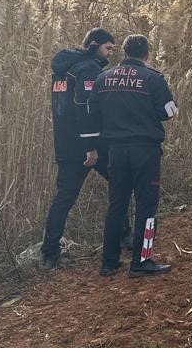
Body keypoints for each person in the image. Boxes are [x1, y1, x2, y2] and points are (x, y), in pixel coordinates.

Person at [86, 35, 177, 278]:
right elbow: (169, 112)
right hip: (145, 151)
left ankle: (108, 262)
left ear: (124, 52)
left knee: (116, 205)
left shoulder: (103, 78)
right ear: (146, 54)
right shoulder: (153, 79)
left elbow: (92, 112)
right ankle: (142, 260)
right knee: (146, 207)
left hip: (115, 151)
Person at [41, 27, 130, 269]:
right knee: (120, 181)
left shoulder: (62, 71)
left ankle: (50, 253)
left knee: (64, 198)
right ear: (93, 44)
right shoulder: (88, 69)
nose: (110, 54)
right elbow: (85, 108)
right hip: (89, 145)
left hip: (65, 143)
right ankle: (125, 237)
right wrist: (91, 146)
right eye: (107, 48)